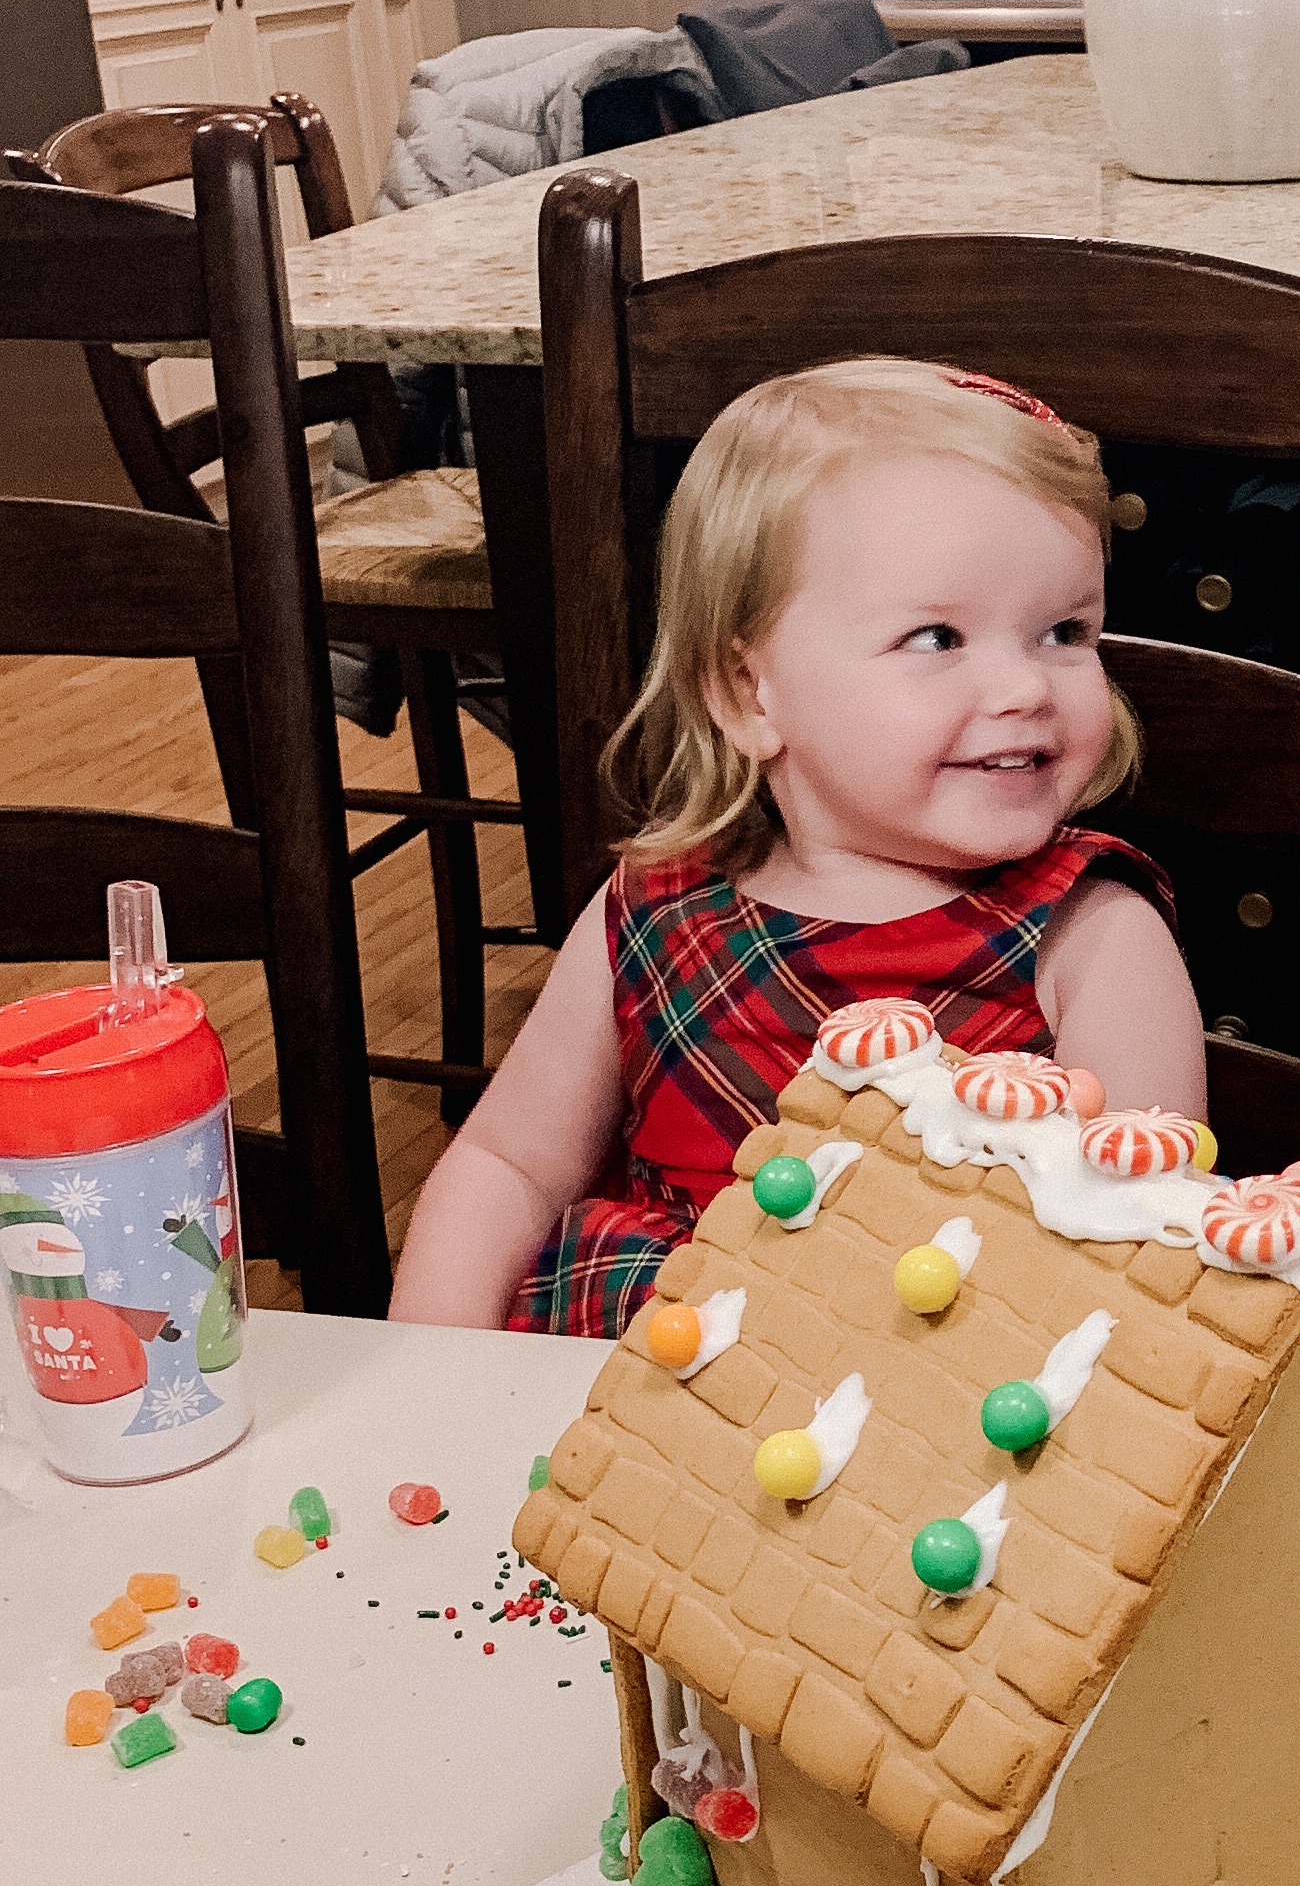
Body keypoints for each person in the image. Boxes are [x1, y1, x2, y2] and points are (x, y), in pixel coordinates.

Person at [393, 359, 1201, 1337]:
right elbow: (509, 1167)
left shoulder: (1094, 935)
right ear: (749, 694)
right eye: (937, 636)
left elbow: (1140, 1267)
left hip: (946, 1413)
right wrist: (427, 1385)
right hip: (638, 1385)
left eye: (1064, 630)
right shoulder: (648, 910)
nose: (1024, 687)